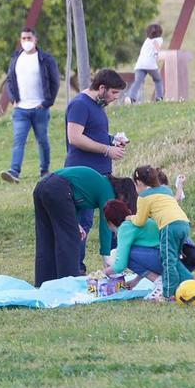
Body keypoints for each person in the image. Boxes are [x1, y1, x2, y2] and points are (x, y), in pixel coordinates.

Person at [64, 69, 128, 271]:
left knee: (108, 219)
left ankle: (113, 264)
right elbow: (75, 137)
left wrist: (112, 140)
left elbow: (93, 133)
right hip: (83, 175)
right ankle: (75, 268)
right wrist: (107, 149)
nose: (115, 98)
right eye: (114, 93)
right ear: (102, 88)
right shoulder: (80, 104)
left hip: (101, 175)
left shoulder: (97, 106)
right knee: (82, 222)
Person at [32, 166, 117, 286]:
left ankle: (44, 282)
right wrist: (106, 256)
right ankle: (69, 283)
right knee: (69, 240)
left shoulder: (96, 183)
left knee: (46, 238)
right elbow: (106, 223)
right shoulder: (108, 191)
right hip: (58, 188)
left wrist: (76, 224)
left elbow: (72, 200)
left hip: (42, 186)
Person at [1, 28, 61, 184]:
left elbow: (55, 81)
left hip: (40, 108)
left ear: (35, 40)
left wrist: (47, 102)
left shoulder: (45, 59)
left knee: (42, 140)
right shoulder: (16, 58)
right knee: (18, 141)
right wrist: (13, 99)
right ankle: (14, 171)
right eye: (23, 38)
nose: (25, 41)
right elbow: (9, 80)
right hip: (21, 109)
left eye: (28, 38)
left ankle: (45, 170)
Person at [127, 165, 192, 302]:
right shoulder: (166, 190)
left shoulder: (144, 197)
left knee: (168, 261)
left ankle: (168, 294)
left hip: (169, 226)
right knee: (174, 259)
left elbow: (140, 221)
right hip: (184, 224)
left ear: (138, 183)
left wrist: (130, 218)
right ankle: (191, 283)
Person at [126, 24, 165, 103]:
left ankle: (131, 97)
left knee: (138, 81)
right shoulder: (159, 39)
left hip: (140, 64)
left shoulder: (147, 40)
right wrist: (158, 53)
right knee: (158, 80)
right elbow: (156, 46)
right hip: (150, 64)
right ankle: (159, 98)